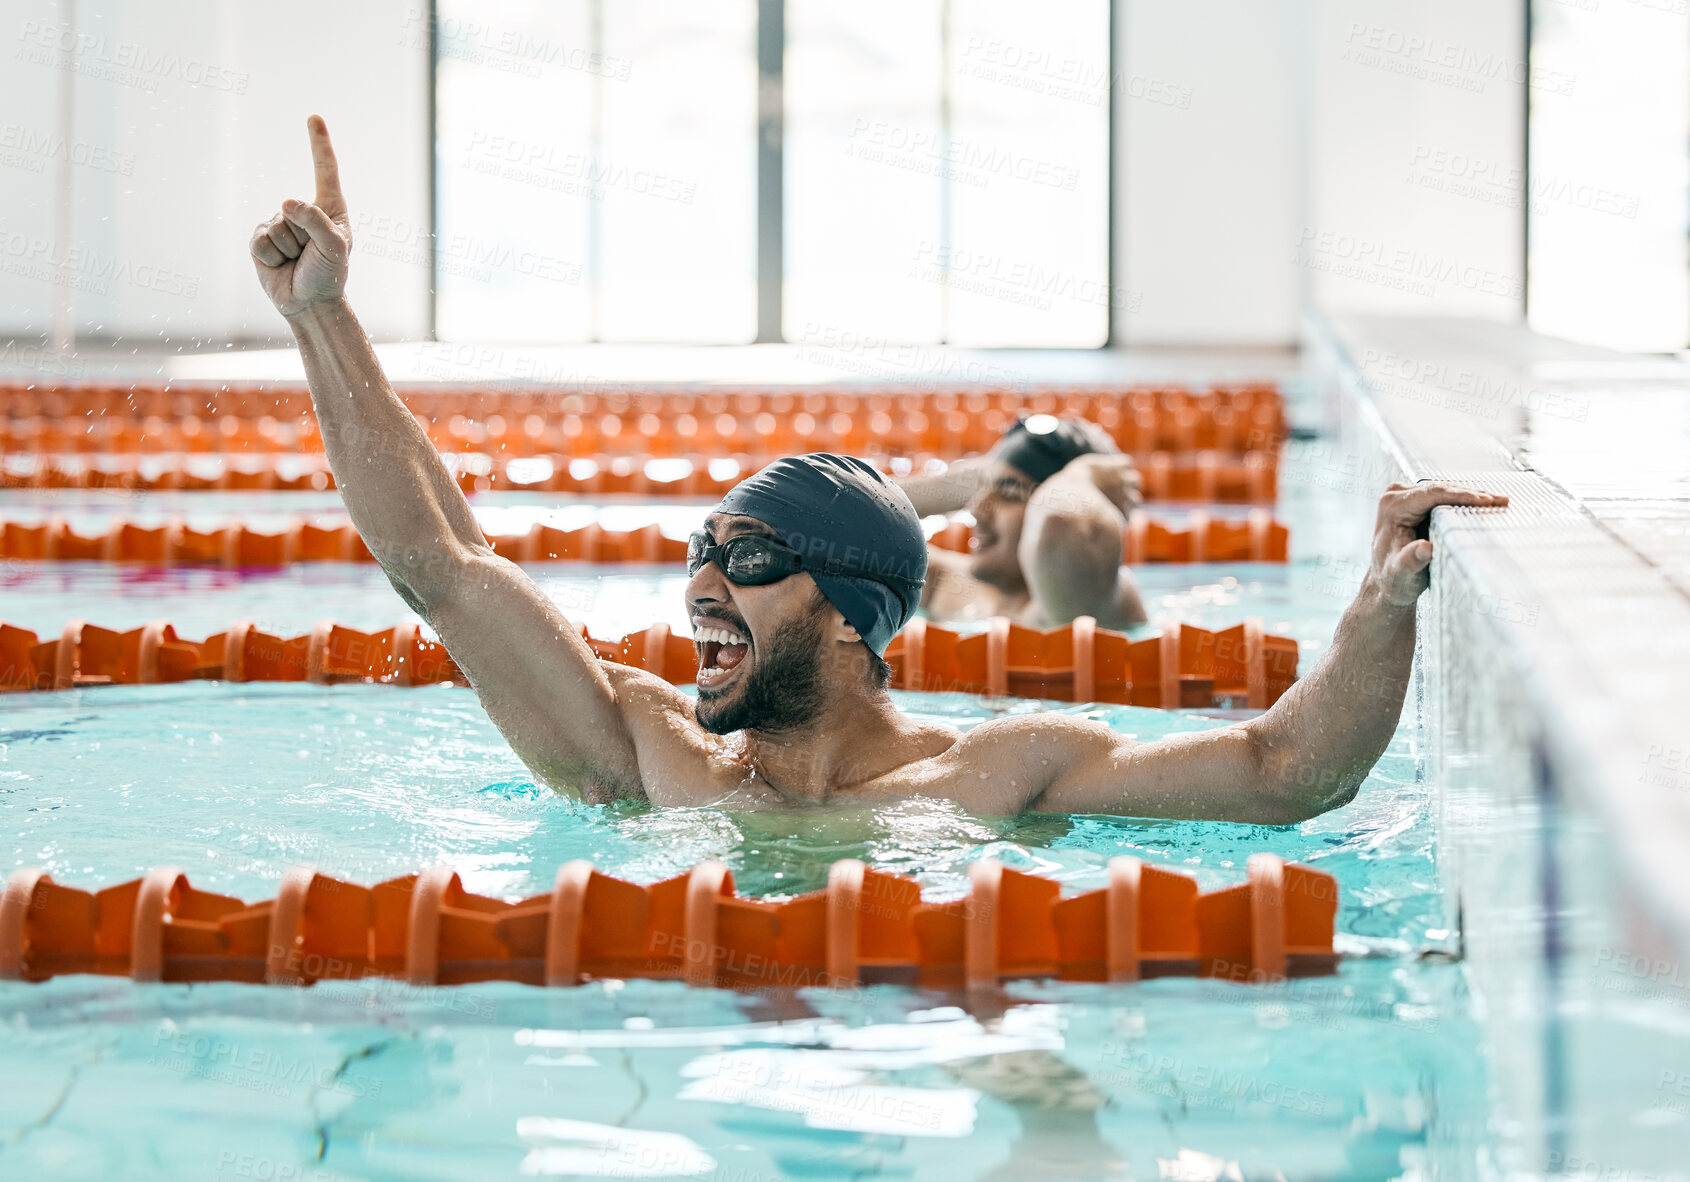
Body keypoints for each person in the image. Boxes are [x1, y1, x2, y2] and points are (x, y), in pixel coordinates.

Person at [251, 116, 1508, 823]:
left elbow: (1291, 775)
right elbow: (441, 566)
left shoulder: (995, 771)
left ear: (854, 618)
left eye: (746, 562)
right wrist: (323, 320)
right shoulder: (647, 750)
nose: (700, 584)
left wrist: (1378, 602)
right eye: (701, 549)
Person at [898, 415, 1149, 629]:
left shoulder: (1096, 595)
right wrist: (981, 476)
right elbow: (861, 516)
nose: (975, 509)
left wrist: (1083, 474)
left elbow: (1062, 523)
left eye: (1009, 494)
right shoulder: (952, 586)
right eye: (980, 489)